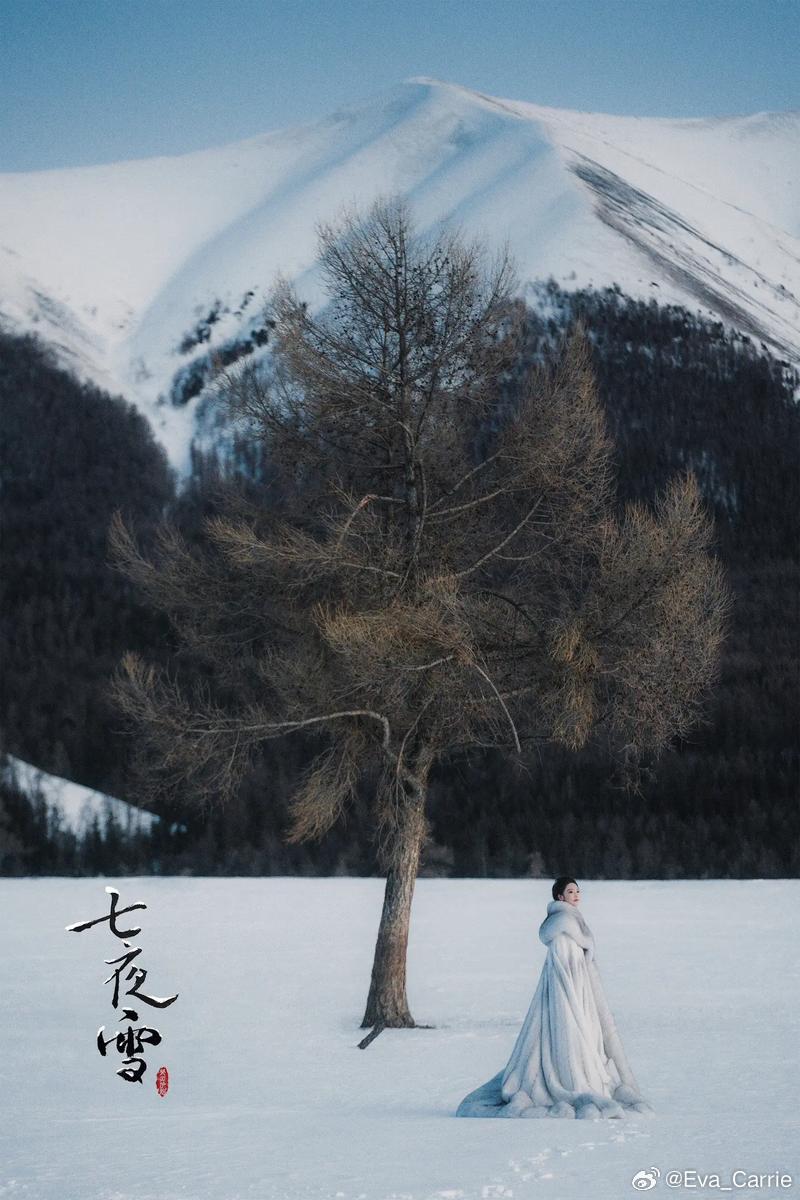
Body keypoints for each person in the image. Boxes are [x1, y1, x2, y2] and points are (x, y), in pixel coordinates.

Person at [455, 876, 653, 1119]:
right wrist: (574, 999)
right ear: (560, 897)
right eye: (571, 891)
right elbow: (564, 970)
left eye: (578, 891)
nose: (576, 895)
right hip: (567, 997)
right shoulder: (563, 927)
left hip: (579, 995)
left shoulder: (573, 923)